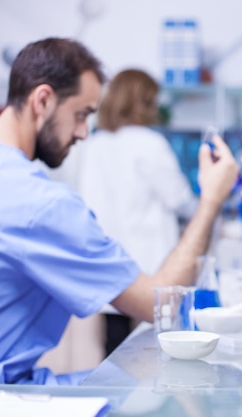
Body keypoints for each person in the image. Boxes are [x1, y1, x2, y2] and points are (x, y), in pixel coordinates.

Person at [0, 37, 239, 385]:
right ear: (42, 100)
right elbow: (158, 304)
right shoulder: (39, 204)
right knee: (157, 385)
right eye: (82, 114)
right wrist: (211, 199)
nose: (84, 132)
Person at [69, 69, 199, 354]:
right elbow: (179, 200)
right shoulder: (149, 143)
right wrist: (209, 204)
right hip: (150, 262)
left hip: (108, 263)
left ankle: (116, 399)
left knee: (114, 353)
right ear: (143, 101)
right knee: (153, 352)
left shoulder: (94, 144)